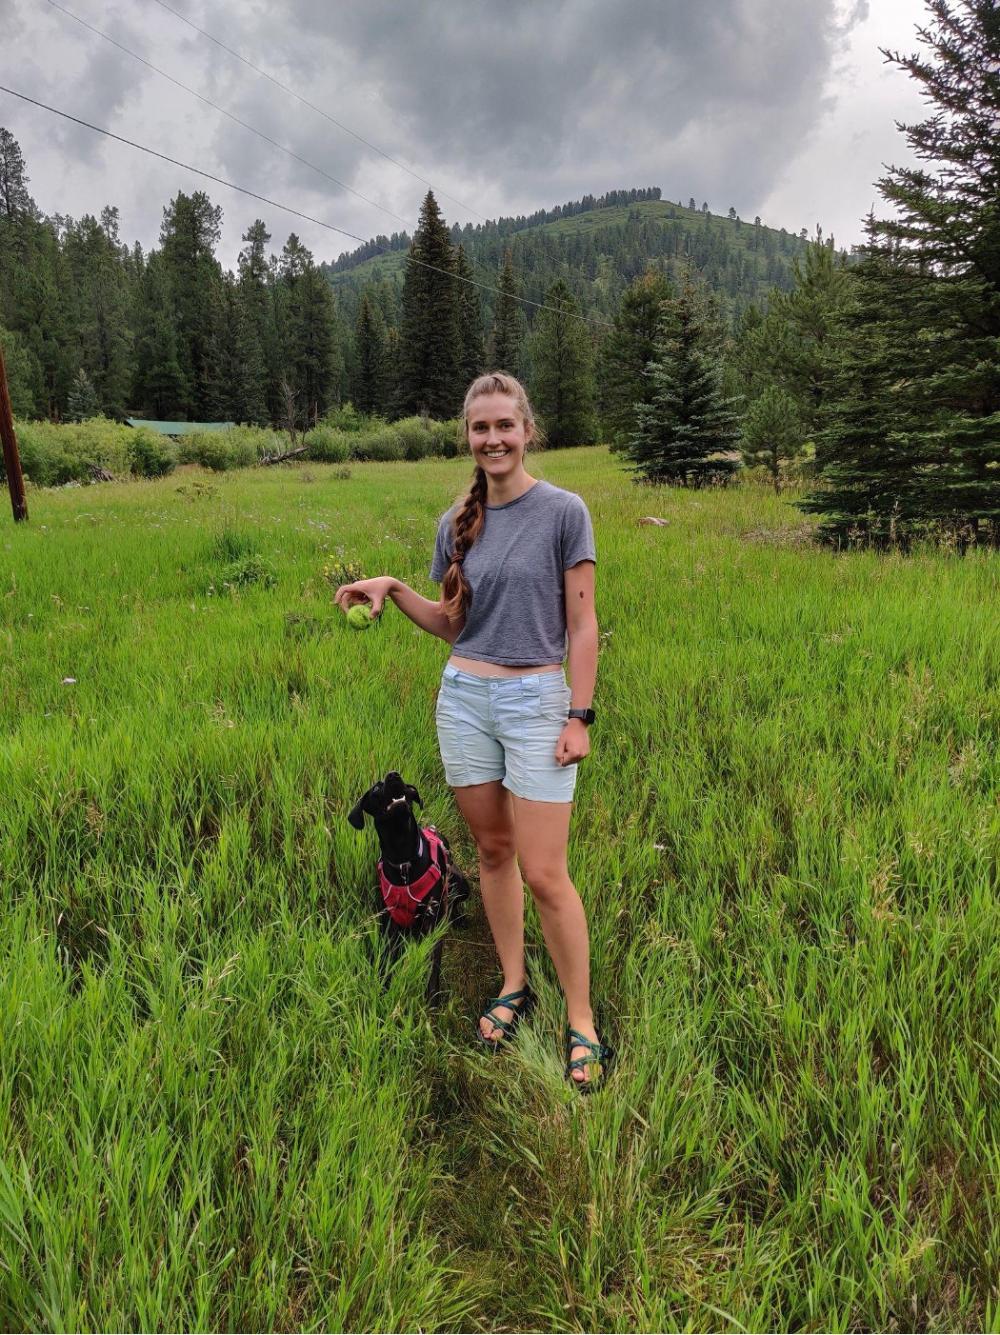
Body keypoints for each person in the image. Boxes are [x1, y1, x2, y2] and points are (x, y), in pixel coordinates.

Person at [334, 371, 613, 1092]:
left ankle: (579, 1018)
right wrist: (395, 590)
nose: (492, 438)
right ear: (469, 435)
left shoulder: (564, 512)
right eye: (480, 427)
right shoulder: (456, 519)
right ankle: (514, 982)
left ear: (527, 430)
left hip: (537, 703)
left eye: (504, 425)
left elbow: (582, 626)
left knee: (545, 871)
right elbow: (453, 625)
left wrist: (579, 715)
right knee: (493, 851)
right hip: (463, 700)